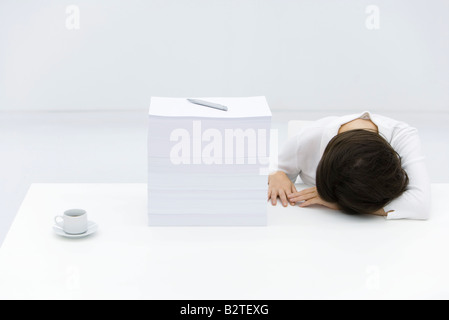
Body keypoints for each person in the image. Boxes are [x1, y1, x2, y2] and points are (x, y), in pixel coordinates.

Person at [268, 111, 431, 219]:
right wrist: (277, 174)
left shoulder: (402, 136)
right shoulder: (307, 139)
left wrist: (342, 205)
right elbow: (273, 169)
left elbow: (420, 204)